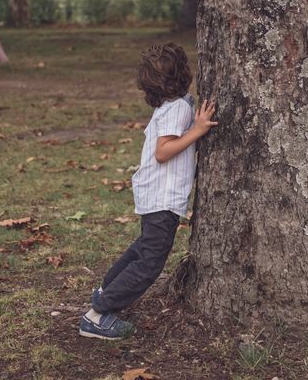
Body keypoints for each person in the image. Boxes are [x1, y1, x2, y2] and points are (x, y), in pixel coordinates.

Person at [79, 43, 218, 341]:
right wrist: (198, 131)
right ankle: (98, 314)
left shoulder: (173, 104)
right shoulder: (178, 107)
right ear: (184, 71)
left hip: (154, 193)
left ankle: (106, 290)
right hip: (161, 197)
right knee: (150, 262)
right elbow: (163, 151)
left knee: (144, 249)